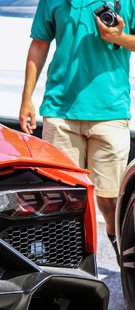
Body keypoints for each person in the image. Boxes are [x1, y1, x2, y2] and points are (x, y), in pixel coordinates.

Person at [18, 0, 135, 260]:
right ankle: (66, 263)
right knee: (63, 198)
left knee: (110, 200)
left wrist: (119, 37)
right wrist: (27, 99)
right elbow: (39, 44)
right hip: (60, 112)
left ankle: (120, 256)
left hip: (110, 112)